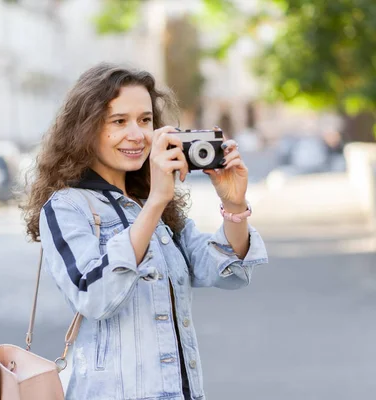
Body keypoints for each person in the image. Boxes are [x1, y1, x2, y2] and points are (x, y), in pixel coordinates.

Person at [22, 63, 269, 400]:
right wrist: (156, 202)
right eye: (119, 121)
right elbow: (95, 297)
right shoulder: (68, 208)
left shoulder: (150, 203)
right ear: (85, 129)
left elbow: (228, 272)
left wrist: (234, 205)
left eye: (145, 120)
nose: (137, 135)